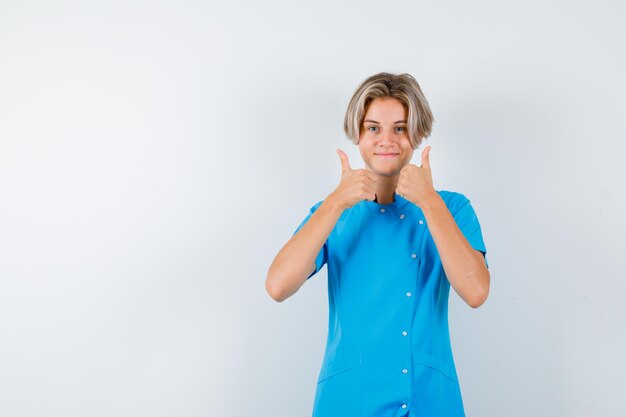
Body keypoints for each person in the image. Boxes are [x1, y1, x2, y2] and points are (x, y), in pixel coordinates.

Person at [265, 72, 490, 417]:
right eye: (373, 128)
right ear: (357, 134)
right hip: (348, 402)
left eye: (400, 128)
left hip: (428, 401)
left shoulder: (452, 208)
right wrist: (336, 202)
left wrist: (429, 201)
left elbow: (476, 291)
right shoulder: (333, 212)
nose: (387, 139)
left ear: (417, 134)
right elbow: (278, 286)